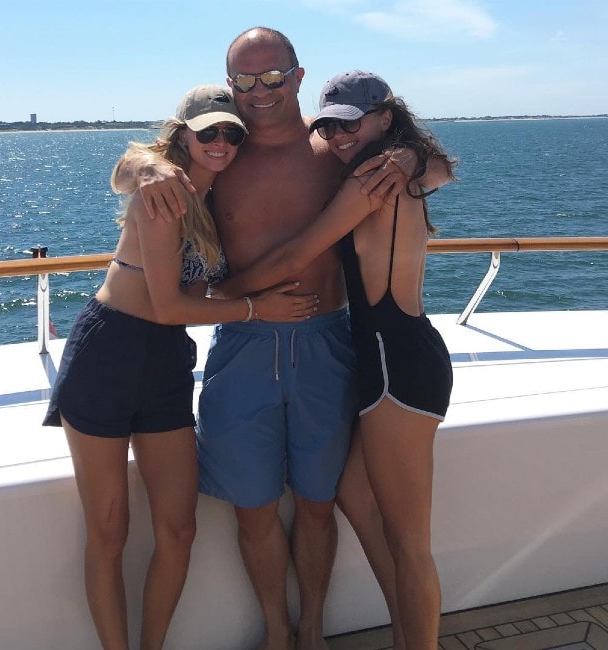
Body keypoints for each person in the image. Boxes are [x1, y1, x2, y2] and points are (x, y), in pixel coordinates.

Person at [112, 28, 452, 650]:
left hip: (331, 343)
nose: (259, 91)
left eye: (273, 77)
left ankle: (314, 630)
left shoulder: (335, 146)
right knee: (255, 508)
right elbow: (139, 160)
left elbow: (432, 166)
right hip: (244, 343)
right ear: (229, 83)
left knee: (320, 503)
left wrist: (410, 157)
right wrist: (150, 165)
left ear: (298, 77)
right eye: (244, 80)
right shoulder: (220, 152)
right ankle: (276, 632)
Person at [43, 84, 318, 650]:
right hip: (109, 354)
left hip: (167, 362)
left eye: (231, 132)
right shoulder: (163, 190)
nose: (220, 142)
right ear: (183, 134)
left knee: (178, 528)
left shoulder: (212, 197)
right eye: (208, 131)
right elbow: (169, 307)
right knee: (110, 531)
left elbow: (200, 285)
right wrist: (256, 309)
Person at [217, 70, 456, 650]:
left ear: (384, 118)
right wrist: (411, 154)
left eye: (353, 125)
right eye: (330, 126)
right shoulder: (396, 165)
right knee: (351, 493)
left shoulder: (374, 180)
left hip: (397, 362)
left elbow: (302, 250)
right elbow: (440, 167)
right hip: (384, 355)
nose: (341, 137)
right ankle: (405, 629)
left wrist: (225, 297)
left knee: (410, 544)